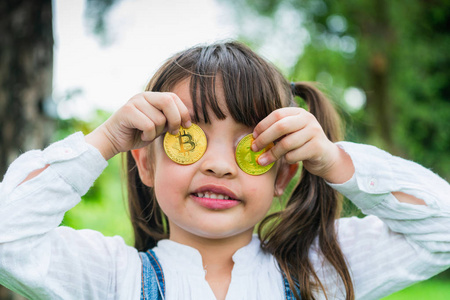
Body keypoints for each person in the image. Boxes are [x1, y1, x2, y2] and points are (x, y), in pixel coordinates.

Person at [0, 41, 449, 300]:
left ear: (282, 177)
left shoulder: (321, 273)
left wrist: (334, 160)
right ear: (145, 164)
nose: (217, 164)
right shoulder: (112, 278)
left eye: (248, 145)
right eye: (188, 139)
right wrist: (103, 141)